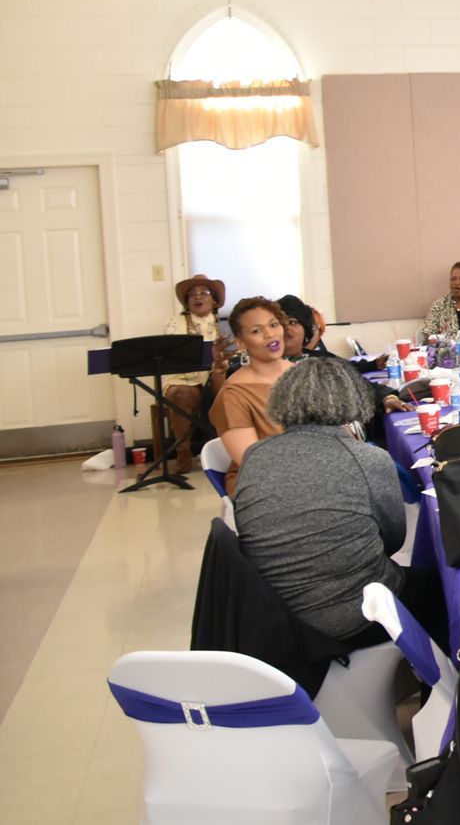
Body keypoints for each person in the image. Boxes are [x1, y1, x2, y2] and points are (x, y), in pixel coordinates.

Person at [230, 357, 418, 642]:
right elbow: (393, 541)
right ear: (353, 401)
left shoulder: (255, 454)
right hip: (351, 618)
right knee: (443, 590)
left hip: (273, 618)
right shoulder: (368, 459)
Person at [209, 297, 294, 486]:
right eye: (257, 330)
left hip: (311, 471)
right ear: (241, 343)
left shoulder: (299, 374)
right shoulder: (233, 394)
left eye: (273, 325)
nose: (269, 334)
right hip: (261, 485)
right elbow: (254, 463)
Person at [161, 273, 228, 468]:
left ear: (214, 300)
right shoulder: (175, 323)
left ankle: (230, 448)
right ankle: (183, 452)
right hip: (187, 381)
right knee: (178, 393)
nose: (198, 297)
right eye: (192, 294)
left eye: (203, 293)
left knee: (233, 389)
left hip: (218, 379)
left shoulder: (225, 325)